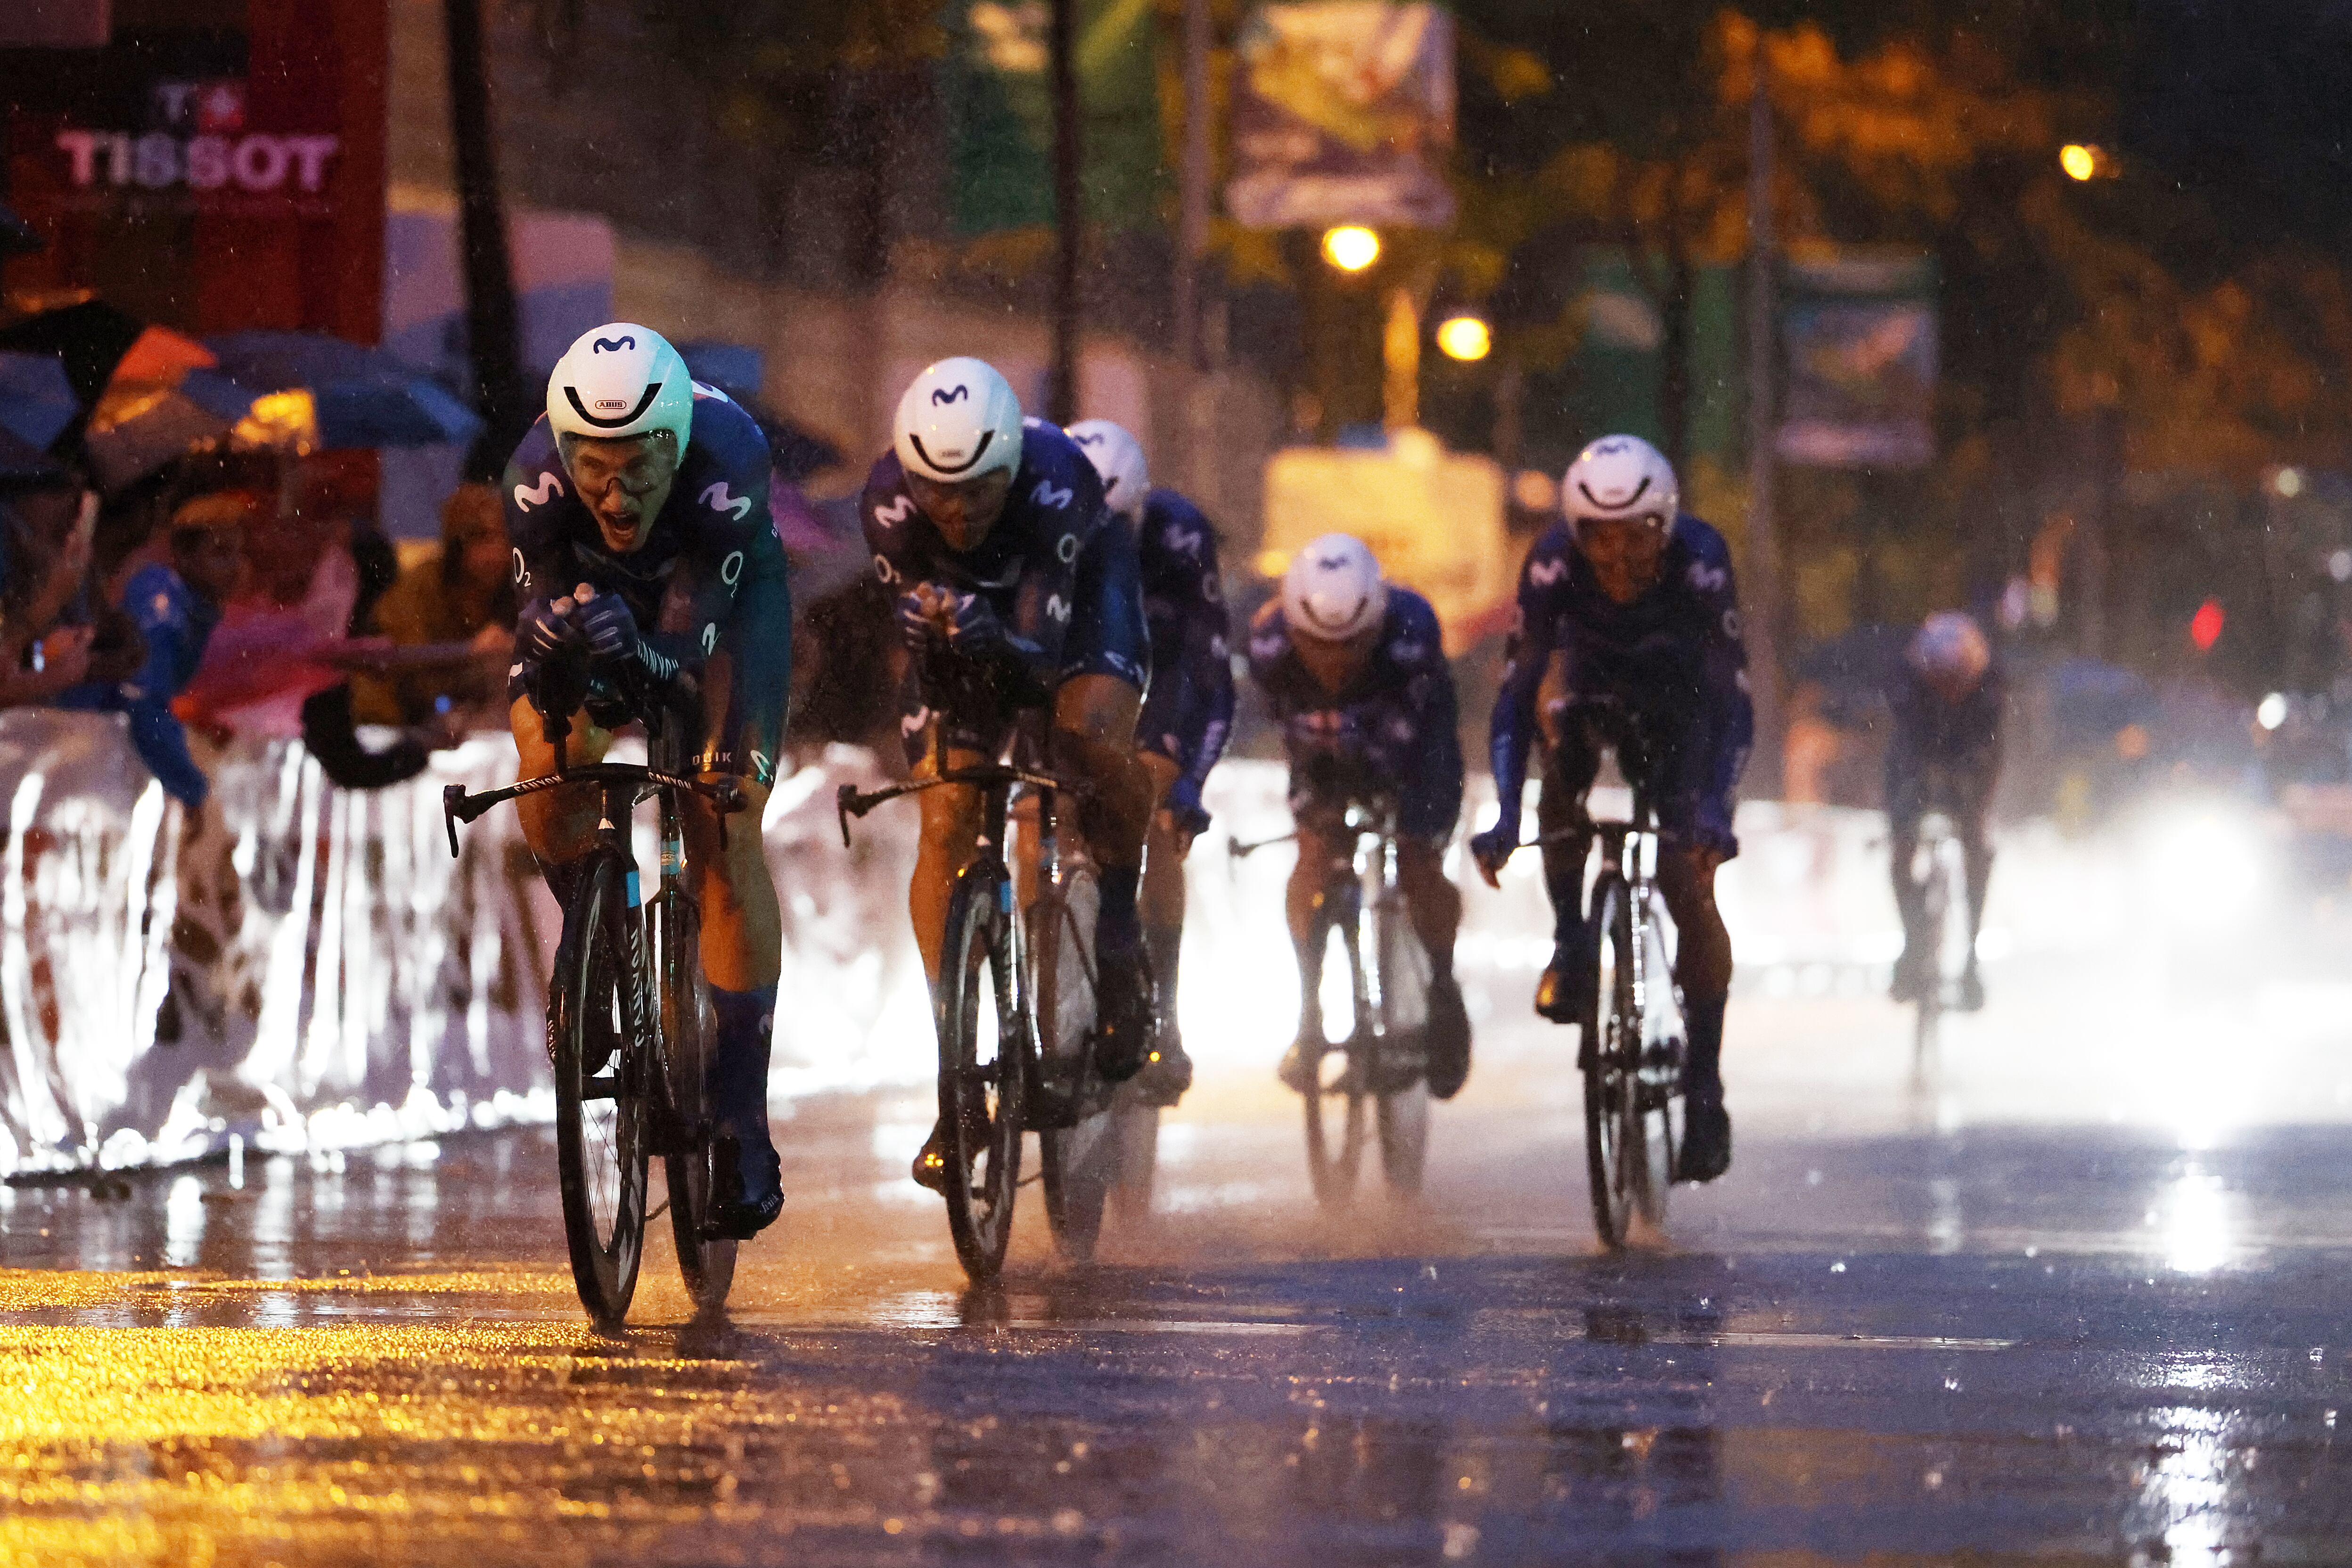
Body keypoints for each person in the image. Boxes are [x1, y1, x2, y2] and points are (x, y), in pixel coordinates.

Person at [503, 322, 793, 1239]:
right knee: (546, 765)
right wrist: (554, 643)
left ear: (676, 444)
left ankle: (743, 1118)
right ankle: (588, 942)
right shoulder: (529, 480)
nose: (616, 489)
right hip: (599, 610)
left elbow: (688, 644)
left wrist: (643, 654)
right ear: (563, 452)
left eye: (639, 464)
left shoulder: (729, 456)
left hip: (722, 620)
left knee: (723, 818)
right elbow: (535, 635)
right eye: (594, 465)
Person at [860, 358, 1156, 1192]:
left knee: (1084, 741)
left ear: (1011, 470)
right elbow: (933, 662)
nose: (954, 510)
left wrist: (997, 641)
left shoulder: (1057, 480)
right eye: (937, 493)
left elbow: (1037, 650)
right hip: (970, 622)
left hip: (1076, 598)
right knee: (947, 815)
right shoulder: (886, 504)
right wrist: (955, 637)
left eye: (978, 491)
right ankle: (955, 1081)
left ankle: (1122, 935)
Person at [1468, 434, 1751, 1184]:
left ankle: (1703, 1087)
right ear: (1574, 533)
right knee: (1557, 741)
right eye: (1600, 539)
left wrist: (1713, 816)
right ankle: (1569, 940)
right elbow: (1512, 695)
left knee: (1684, 883)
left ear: (1666, 526)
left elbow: (1731, 699)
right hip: (1588, 686)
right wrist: (1506, 812)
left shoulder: (1701, 558)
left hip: (1681, 702)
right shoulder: (1551, 563)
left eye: (1636, 539)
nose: (1618, 561)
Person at [1246, 534, 1472, 1100]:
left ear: (1376, 623)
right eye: (1316, 646)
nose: (1334, 661)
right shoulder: (1268, 640)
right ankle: (1308, 1015)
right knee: (1312, 853)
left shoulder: (1412, 627)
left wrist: (1391, 804)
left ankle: (1443, 987)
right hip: (1321, 743)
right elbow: (1286, 729)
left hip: (1416, 745)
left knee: (1418, 861)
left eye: (1352, 645)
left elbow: (1412, 735)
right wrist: (1318, 799)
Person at [1066, 418, 1234, 1106]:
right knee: (1030, 800)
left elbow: (1212, 674)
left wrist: (1188, 778)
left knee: (1152, 810)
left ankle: (1160, 1003)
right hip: (1077, 665)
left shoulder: (1179, 536)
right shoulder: (1037, 514)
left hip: (1161, 676)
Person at [57, 490, 248, 808]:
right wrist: (191, 789)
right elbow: (146, 706)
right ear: (184, 556)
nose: (234, 567)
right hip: (68, 731)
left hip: (82, 738)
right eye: (220, 553)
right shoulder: (162, 605)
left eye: (239, 553)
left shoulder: (189, 605)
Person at [1886, 611, 2002, 1011]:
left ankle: (1971, 955)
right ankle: (1911, 942)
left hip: (1968, 768)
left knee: (1977, 845)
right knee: (1900, 847)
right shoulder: (1908, 686)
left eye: (1959, 683)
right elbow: (1899, 749)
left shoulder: (1989, 692)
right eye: (1942, 681)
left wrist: (1972, 800)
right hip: (1917, 764)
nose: (1950, 691)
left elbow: (1991, 754)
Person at [349, 481, 518, 731]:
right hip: (391, 725)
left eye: (503, 537)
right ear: (457, 545)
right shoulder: (418, 594)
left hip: (468, 729)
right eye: (481, 538)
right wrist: (473, 658)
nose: (496, 552)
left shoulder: (510, 592)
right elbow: (418, 679)